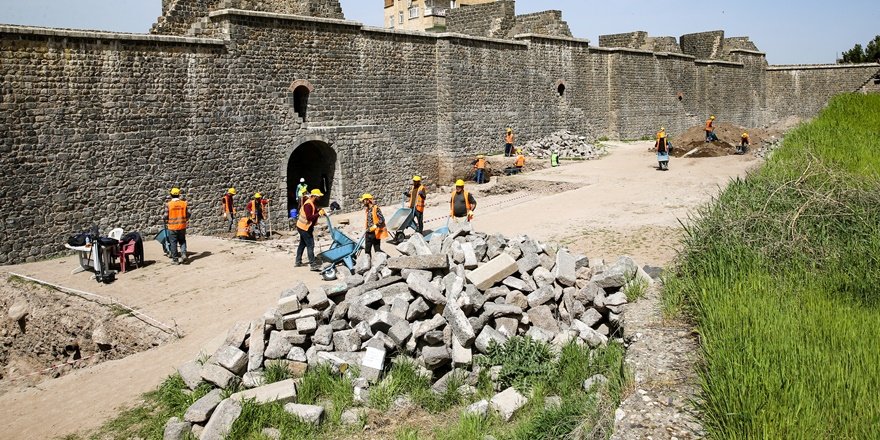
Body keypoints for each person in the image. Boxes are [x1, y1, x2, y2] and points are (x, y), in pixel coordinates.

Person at [295, 189, 324, 271]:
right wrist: (318, 214)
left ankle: (298, 261)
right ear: (314, 196)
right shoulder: (308, 204)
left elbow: (312, 213)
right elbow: (309, 217)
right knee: (310, 244)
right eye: (319, 196)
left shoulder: (311, 203)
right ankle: (313, 264)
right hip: (304, 227)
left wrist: (318, 211)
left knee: (302, 244)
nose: (320, 198)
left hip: (302, 226)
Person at [163, 187, 191, 264]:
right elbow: (188, 214)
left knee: (173, 242)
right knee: (182, 241)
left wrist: (163, 218)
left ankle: (175, 260)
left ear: (171, 195)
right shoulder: (184, 203)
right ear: (179, 195)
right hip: (182, 226)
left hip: (172, 227)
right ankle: (184, 254)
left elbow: (165, 216)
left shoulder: (168, 204)